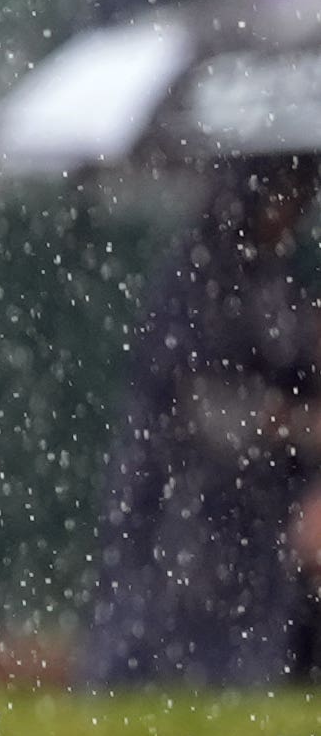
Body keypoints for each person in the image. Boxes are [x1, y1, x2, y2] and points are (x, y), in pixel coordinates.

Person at [81, 157, 321, 688]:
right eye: (282, 194)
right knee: (169, 632)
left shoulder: (275, 280)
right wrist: (290, 422)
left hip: (256, 509)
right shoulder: (199, 281)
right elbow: (204, 405)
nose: (289, 212)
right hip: (186, 500)